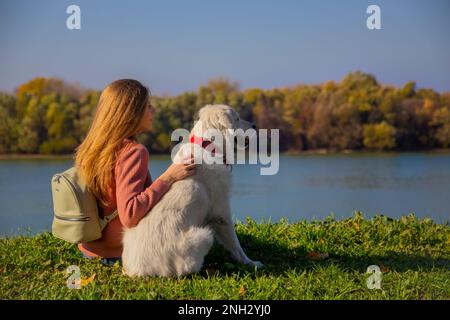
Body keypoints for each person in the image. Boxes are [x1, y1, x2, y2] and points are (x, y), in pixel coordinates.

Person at [74, 79, 196, 265]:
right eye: (147, 106)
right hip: (122, 255)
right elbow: (130, 215)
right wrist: (169, 176)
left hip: (89, 251)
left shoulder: (90, 148)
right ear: (131, 113)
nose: (153, 111)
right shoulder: (133, 152)